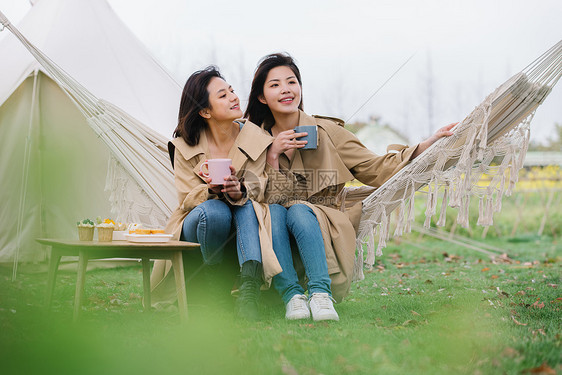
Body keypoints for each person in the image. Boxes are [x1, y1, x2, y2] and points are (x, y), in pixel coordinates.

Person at [245, 52, 455, 319]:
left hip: (323, 219)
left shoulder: (327, 131)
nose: (286, 90)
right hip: (274, 225)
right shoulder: (256, 140)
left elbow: (375, 167)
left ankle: (321, 295)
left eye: (291, 82)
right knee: (275, 212)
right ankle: (293, 297)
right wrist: (273, 154)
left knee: (299, 210)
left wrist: (426, 145)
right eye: (274, 85)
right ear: (262, 97)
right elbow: (257, 195)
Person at [150, 66, 284, 321]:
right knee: (215, 211)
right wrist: (210, 190)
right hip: (199, 225)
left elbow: (261, 187)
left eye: (232, 91)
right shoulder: (184, 145)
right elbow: (185, 198)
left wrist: (240, 190)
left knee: (245, 205)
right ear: (204, 111)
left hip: (243, 227)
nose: (234, 97)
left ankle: (249, 294)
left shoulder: (255, 138)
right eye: (223, 95)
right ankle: (216, 290)